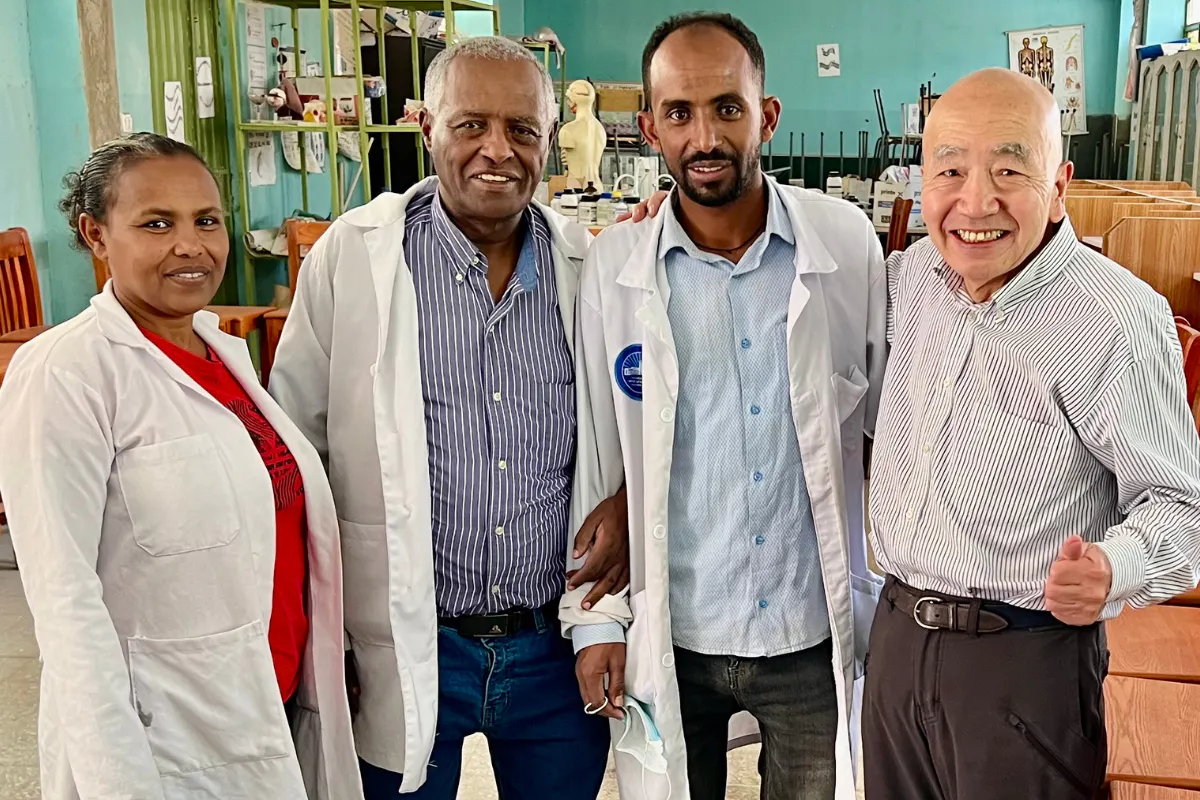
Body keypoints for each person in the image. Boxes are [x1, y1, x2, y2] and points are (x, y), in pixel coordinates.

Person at [269, 36, 631, 800]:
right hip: (403, 643)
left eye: (522, 129)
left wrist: (628, 501)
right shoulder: (355, 260)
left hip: (553, 649)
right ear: (427, 126)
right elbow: (296, 454)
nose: (497, 150)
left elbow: (634, 429)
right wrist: (321, 636)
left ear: (548, 137)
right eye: (471, 125)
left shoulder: (590, 268)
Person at [863, 68, 1200, 799]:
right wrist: (667, 221)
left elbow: (1183, 505)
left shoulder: (1114, 317)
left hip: (1023, 662)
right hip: (896, 642)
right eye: (950, 169)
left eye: (1009, 170)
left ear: (1059, 185)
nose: (975, 201)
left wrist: (1113, 567)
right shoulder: (909, 279)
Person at [576, 12, 885, 800]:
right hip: (678, 631)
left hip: (808, 631)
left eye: (727, 108)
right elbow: (599, 450)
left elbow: (888, 425)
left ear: (767, 115)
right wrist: (599, 621)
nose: (705, 136)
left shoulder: (847, 244)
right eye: (679, 113)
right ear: (650, 128)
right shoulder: (616, 264)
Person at [0, 133, 361, 799]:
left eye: (207, 221)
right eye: (156, 224)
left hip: (272, 705)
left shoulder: (221, 352)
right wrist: (120, 783)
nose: (191, 246)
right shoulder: (65, 372)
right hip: (164, 745)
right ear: (96, 234)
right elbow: (65, 603)